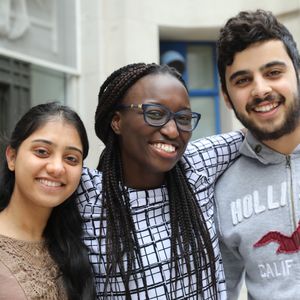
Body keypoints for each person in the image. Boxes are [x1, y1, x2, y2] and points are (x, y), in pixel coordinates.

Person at [77, 62, 244, 299]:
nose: (173, 131)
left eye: (183, 118)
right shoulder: (87, 196)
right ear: (117, 121)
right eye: (155, 114)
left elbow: (259, 129)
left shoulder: (196, 168)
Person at [215, 9, 300, 300]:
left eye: (273, 72)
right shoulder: (221, 189)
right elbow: (220, 290)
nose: (261, 90)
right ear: (226, 97)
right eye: (242, 80)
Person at [0, 102, 96, 299]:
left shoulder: (78, 245)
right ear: (12, 157)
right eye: (42, 152)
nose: (57, 168)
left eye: (71, 158)